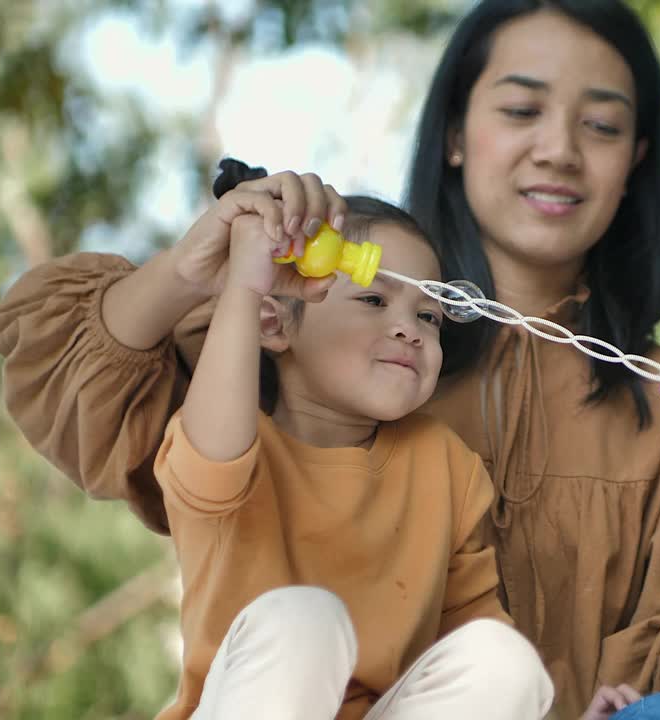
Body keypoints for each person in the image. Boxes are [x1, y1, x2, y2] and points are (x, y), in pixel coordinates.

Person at [0, 1, 660, 718]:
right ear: (455, 134)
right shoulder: (305, 318)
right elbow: (72, 382)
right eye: (520, 110)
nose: (558, 148)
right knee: (301, 626)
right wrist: (200, 271)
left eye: (601, 125)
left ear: (636, 162)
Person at [147, 161, 552, 719]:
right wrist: (246, 280)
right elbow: (217, 444)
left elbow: (473, 652)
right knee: (306, 620)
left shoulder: (445, 465)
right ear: (274, 325)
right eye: (373, 300)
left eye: (430, 317)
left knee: (506, 661)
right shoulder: (234, 439)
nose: (410, 327)